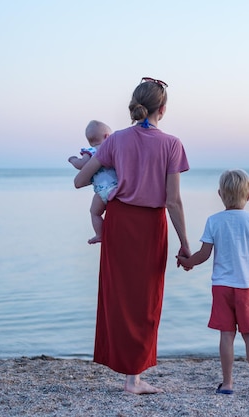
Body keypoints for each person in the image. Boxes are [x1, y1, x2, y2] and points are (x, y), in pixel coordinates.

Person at [74, 77, 191, 394]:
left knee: (121, 299)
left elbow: (80, 181)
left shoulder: (115, 140)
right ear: (162, 109)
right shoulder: (171, 144)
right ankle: (133, 380)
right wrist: (185, 243)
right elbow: (173, 201)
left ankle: (131, 377)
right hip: (151, 225)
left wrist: (104, 171)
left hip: (119, 222)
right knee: (147, 300)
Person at [177, 169, 249, 396]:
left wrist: (187, 262)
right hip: (247, 287)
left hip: (221, 287)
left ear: (220, 194)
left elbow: (203, 255)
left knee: (226, 334)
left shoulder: (214, 221)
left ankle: (228, 384)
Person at [68, 120, 117, 244]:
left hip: (101, 191)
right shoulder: (112, 150)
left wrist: (73, 159)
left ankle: (99, 234)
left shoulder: (89, 151)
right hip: (117, 187)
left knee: (94, 212)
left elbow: (81, 165)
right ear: (107, 136)